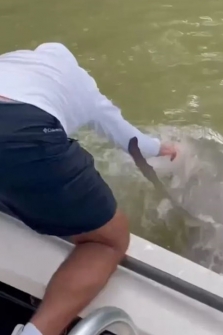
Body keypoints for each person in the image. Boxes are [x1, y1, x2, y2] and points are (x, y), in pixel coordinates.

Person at [0, 42, 177, 335]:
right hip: (25, 131)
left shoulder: (11, 61)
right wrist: (162, 147)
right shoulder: (83, 85)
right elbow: (132, 142)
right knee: (109, 241)